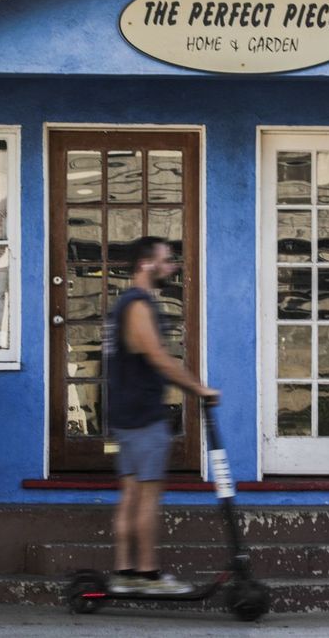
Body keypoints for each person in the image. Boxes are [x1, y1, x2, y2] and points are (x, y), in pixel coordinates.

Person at [104, 235, 220, 595]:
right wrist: (199, 389)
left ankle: (125, 573)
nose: (171, 267)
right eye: (166, 260)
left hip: (126, 412)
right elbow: (156, 357)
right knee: (147, 497)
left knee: (132, 494)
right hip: (142, 414)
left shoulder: (125, 304)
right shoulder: (137, 305)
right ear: (145, 264)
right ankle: (149, 575)